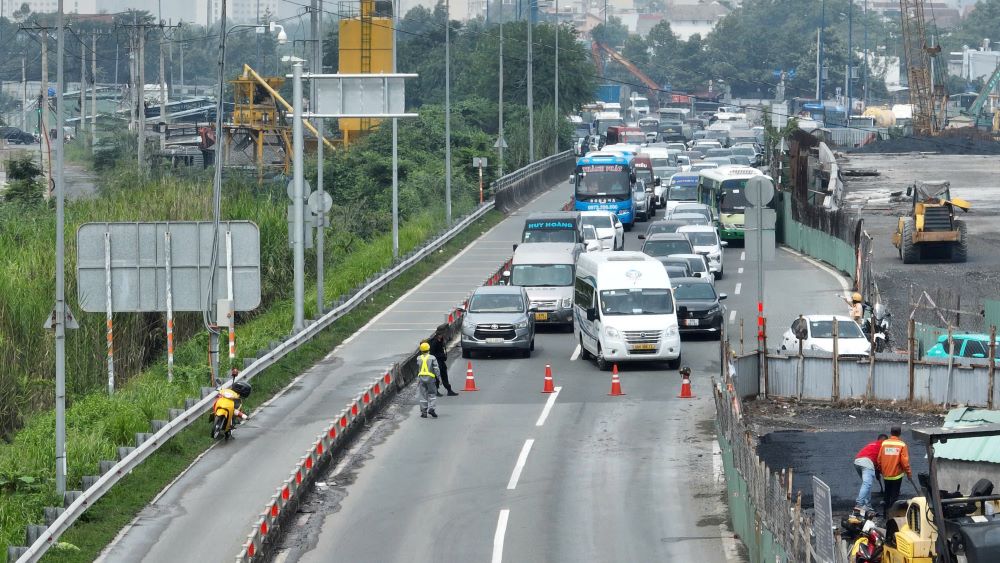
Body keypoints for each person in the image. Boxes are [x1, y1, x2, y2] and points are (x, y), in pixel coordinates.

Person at [878, 426, 915, 515]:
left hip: (886, 474)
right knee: (894, 495)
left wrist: (881, 470)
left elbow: (879, 459)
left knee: (887, 494)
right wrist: (909, 474)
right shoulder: (902, 445)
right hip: (896, 475)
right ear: (899, 433)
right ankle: (893, 514)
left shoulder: (884, 444)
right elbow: (904, 462)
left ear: (891, 433)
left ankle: (885, 513)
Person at [853, 434, 888, 512]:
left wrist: (877, 472)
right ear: (885, 440)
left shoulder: (872, 444)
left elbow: (875, 458)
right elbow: (880, 462)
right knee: (867, 484)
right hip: (867, 462)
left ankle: (867, 505)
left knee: (866, 485)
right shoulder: (883, 446)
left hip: (857, 461)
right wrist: (881, 472)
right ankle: (859, 504)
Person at [428, 324, 458, 396]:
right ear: (440, 333)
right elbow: (432, 354)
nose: (445, 334)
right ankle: (436, 391)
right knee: (437, 376)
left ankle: (449, 390)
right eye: (444, 333)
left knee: (444, 375)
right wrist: (441, 355)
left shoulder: (440, 340)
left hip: (441, 361)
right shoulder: (434, 342)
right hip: (436, 362)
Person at [415, 342, 439, 418]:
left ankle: (424, 412)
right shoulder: (432, 358)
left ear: (421, 350)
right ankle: (431, 408)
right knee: (432, 394)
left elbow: (418, 368)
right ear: (429, 349)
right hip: (431, 379)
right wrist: (439, 378)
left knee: (423, 396)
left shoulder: (418, 358)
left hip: (421, 378)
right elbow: (436, 369)